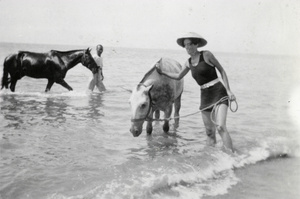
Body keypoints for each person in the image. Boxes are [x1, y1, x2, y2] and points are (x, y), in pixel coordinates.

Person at [156, 32, 236, 152]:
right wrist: (162, 72)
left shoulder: (207, 55)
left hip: (218, 92)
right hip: (205, 95)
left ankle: (232, 157)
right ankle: (211, 160)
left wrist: (229, 91)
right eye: (185, 45)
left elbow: (222, 71)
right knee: (209, 132)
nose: (187, 48)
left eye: (190, 44)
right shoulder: (188, 62)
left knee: (220, 127)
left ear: (196, 44)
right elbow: (178, 76)